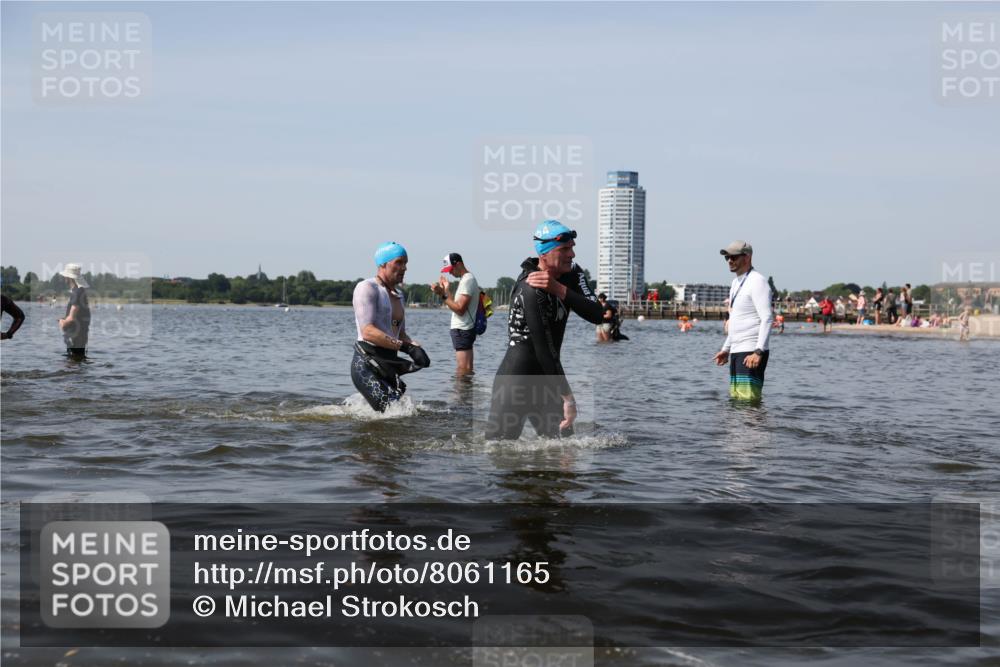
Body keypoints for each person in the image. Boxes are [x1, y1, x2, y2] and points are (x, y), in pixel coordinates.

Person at [485, 221, 604, 440]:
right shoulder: (531, 287)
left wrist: (558, 289)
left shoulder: (573, 274)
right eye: (564, 249)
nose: (572, 254)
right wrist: (568, 398)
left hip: (548, 378)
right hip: (516, 383)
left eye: (572, 247)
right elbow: (543, 349)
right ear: (545, 254)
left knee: (563, 458)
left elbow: (598, 315)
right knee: (500, 459)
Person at [351, 242, 430, 413]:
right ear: (383, 264)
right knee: (392, 414)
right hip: (367, 364)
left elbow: (399, 334)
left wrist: (415, 348)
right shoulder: (366, 288)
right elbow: (368, 332)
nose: (404, 268)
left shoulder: (398, 295)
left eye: (406, 263)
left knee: (402, 412)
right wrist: (405, 347)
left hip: (388, 364)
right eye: (399, 262)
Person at [712, 241, 773, 402]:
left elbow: (767, 318)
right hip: (737, 351)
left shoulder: (757, 281)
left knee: (748, 403)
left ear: (747, 257)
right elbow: (736, 320)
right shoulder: (735, 283)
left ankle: (756, 428)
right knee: (737, 401)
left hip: (752, 351)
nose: (729, 261)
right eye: (727, 258)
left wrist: (758, 351)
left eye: (733, 257)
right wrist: (726, 348)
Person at [430, 253, 479, 376]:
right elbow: (453, 304)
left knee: (463, 369)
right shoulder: (465, 279)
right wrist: (446, 289)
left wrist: (441, 294)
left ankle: (461, 394)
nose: (450, 273)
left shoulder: (468, 280)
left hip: (462, 330)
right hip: (462, 330)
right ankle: (465, 394)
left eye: (450, 269)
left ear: (458, 264)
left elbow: (460, 309)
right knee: (465, 369)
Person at [57, 263, 91, 359]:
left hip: (75, 335)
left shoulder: (77, 293)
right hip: (79, 334)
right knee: (78, 363)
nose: (65, 279)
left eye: (65, 276)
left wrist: (62, 322)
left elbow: (71, 318)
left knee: (73, 364)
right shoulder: (79, 291)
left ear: (69, 278)